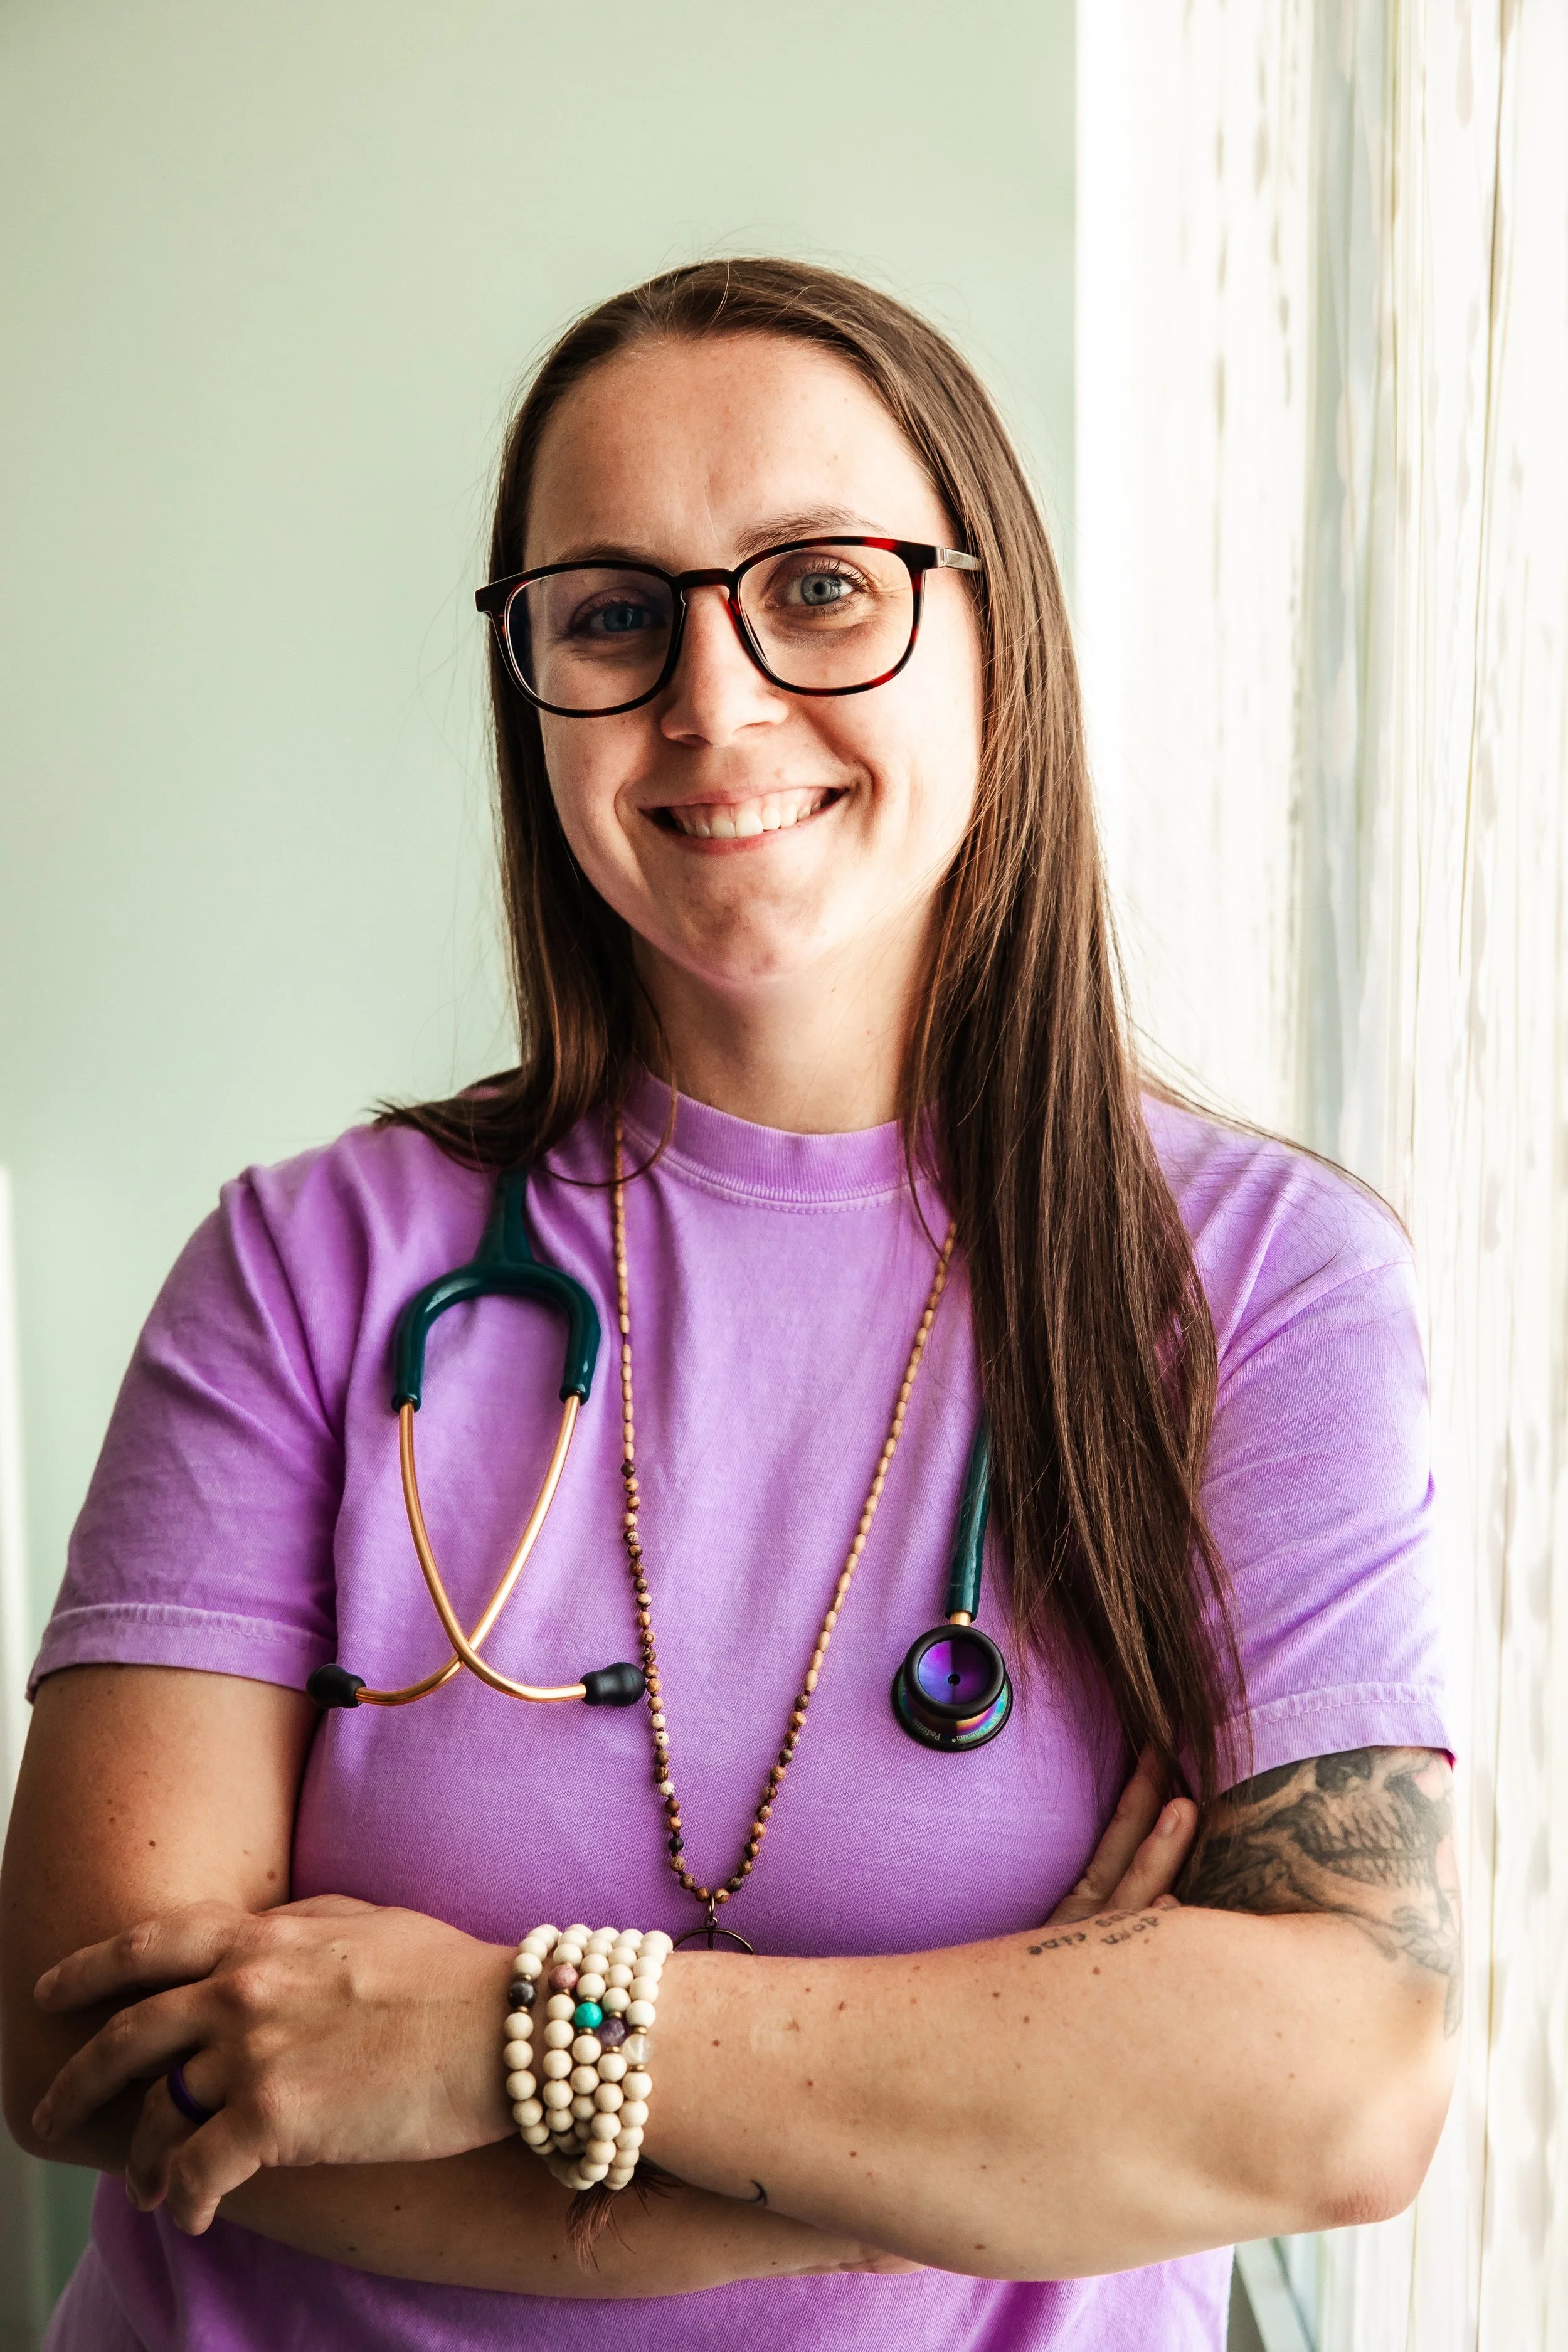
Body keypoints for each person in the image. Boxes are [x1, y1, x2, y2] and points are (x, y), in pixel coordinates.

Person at [1, 259, 1459, 2352]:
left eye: (822, 587)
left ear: (996, 633)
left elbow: (1337, 2084)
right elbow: (100, 2046)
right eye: (612, 613)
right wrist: (985, 2140)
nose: (712, 699)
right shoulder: (305, 1267)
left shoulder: (1259, 1291)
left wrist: (496, 2032)